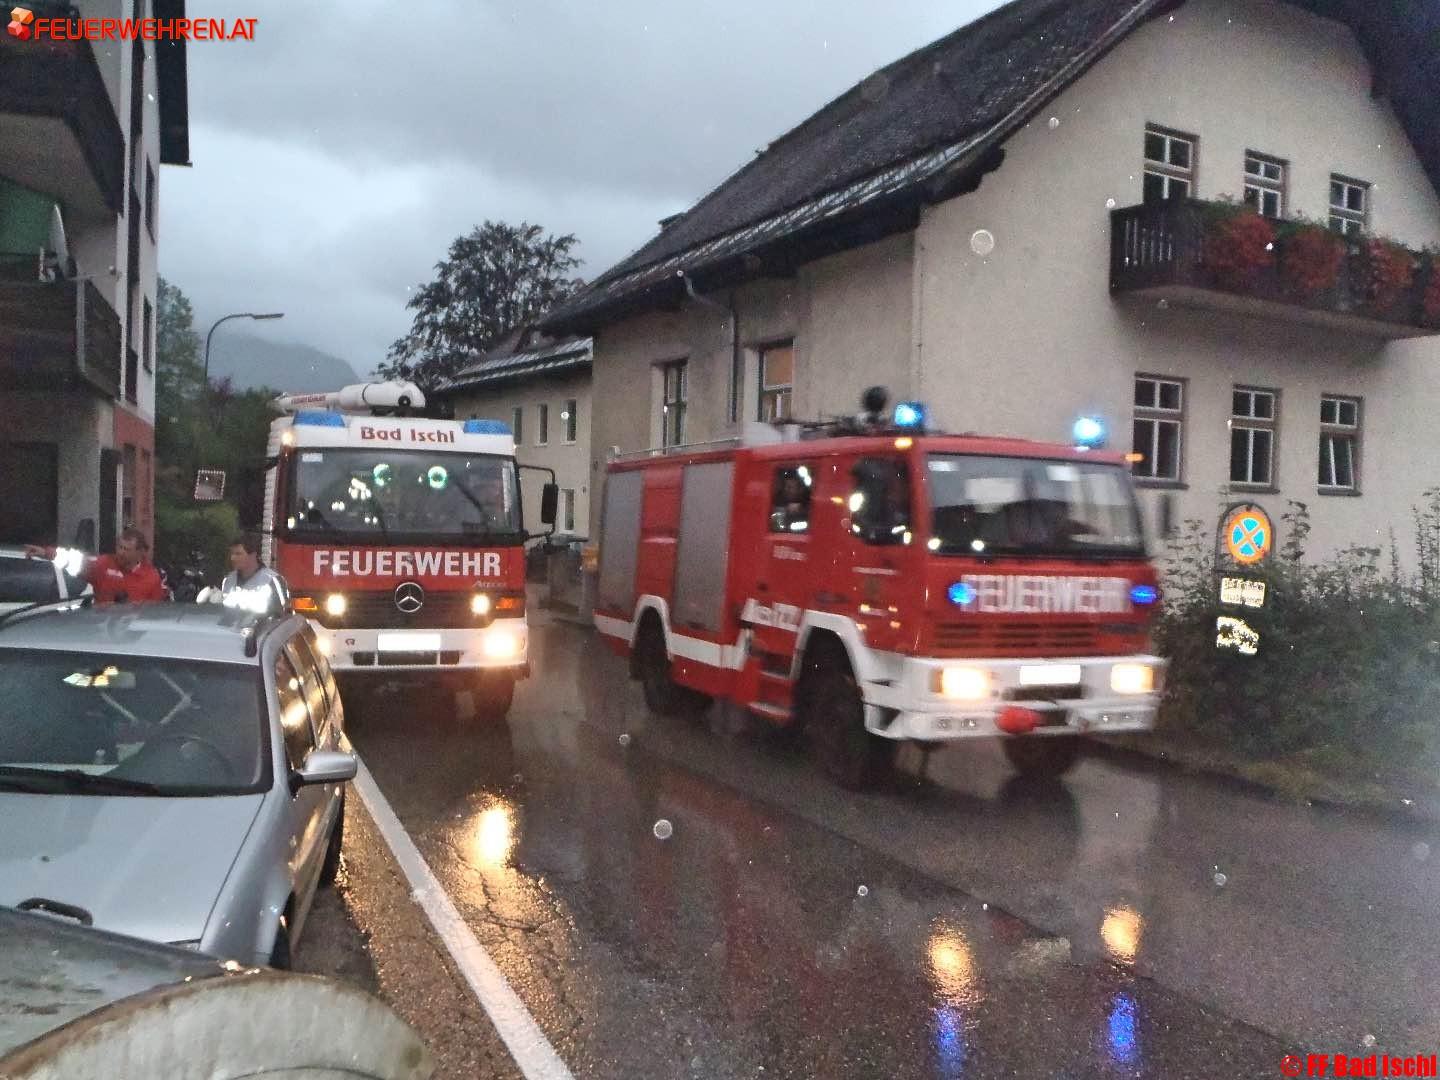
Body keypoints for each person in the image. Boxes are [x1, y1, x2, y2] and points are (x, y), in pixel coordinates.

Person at [25, 526, 168, 605]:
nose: (121, 553)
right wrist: (46, 552)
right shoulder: (104, 564)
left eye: (127, 549)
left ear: (140, 552)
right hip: (101, 634)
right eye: (120, 547)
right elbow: (75, 562)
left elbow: (155, 612)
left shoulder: (151, 577)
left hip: (132, 640)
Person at [219, 532, 290, 614]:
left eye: (238, 554)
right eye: (232, 553)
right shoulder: (228, 580)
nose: (232, 558)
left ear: (253, 555)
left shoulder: (272, 580)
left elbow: (284, 617)